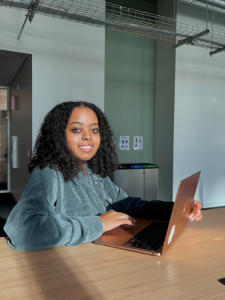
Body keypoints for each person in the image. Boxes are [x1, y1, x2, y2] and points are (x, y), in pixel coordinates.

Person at [4, 101, 202, 251]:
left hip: (102, 254)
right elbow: (23, 232)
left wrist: (175, 209)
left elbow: (126, 205)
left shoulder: (92, 170)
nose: (88, 136)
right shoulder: (48, 171)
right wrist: (98, 224)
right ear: (59, 136)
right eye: (76, 129)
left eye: (94, 130)